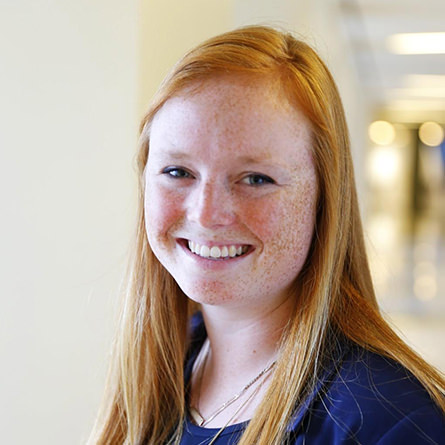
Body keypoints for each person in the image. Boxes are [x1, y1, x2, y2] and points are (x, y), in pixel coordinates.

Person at [88, 26, 445, 445]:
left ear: (323, 199)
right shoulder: (164, 373)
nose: (206, 214)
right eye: (178, 172)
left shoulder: (387, 423)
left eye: (256, 178)